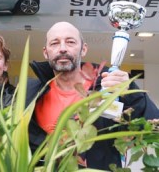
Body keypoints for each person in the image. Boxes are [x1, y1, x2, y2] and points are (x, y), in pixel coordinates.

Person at [26, 21, 159, 170]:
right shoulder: (31, 93)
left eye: (70, 42)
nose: (62, 48)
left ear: (83, 49)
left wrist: (130, 93)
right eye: (55, 43)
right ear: (46, 52)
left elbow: (152, 127)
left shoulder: (110, 87)